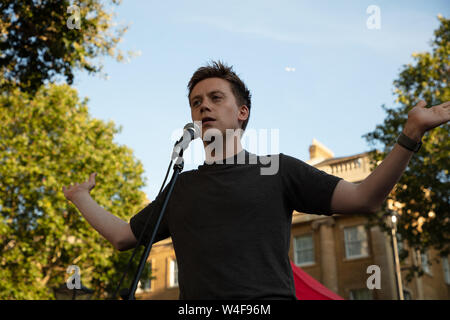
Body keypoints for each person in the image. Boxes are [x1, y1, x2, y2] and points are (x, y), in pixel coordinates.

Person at [62, 60, 450, 300]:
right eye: (196, 102)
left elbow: (364, 198)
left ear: (242, 112)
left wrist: (410, 134)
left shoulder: (277, 169)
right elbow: (123, 237)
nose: (203, 107)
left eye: (215, 98)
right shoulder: (182, 186)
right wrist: (81, 197)